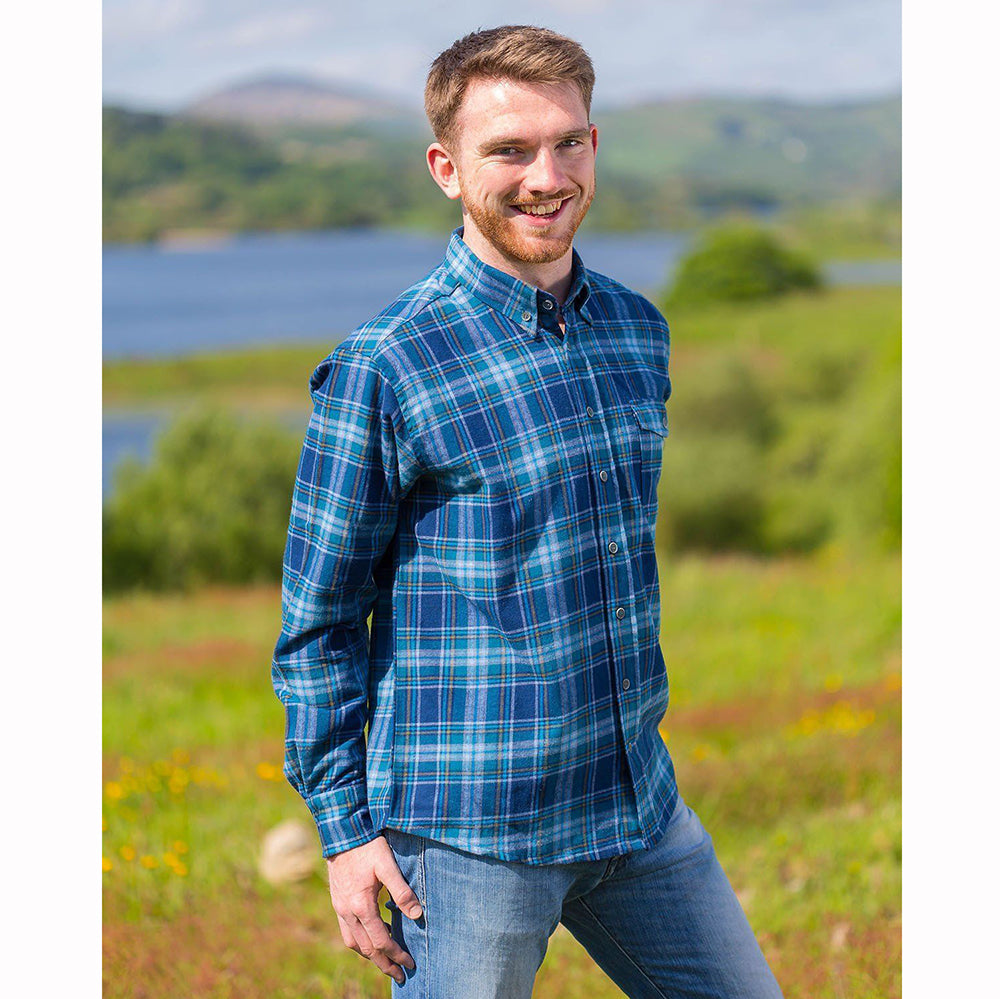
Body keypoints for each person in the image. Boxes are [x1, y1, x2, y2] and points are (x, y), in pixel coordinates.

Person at [272, 24, 784, 999]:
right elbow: (319, 627)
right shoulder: (386, 366)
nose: (545, 177)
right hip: (472, 837)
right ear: (446, 168)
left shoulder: (638, 330)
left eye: (569, 142)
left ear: (595, 144)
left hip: (639, 805)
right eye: (508, 150)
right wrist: (343, 834)